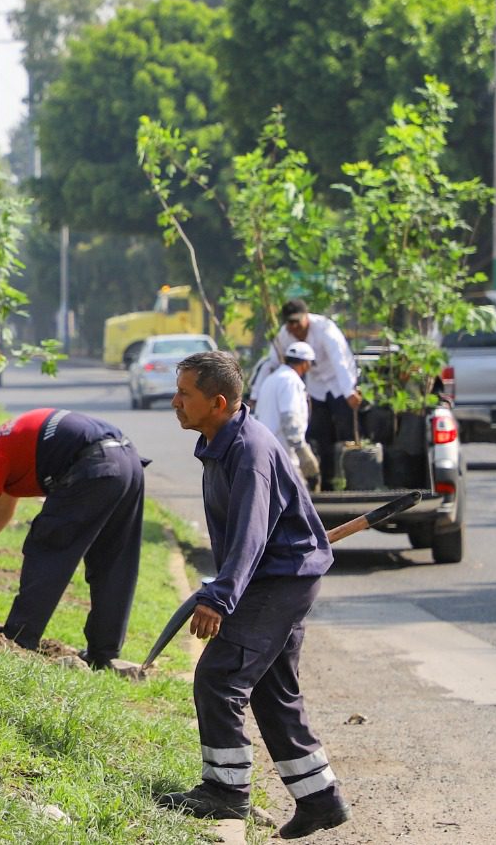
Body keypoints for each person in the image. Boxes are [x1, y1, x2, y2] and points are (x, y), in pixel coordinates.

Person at [161, 350, 348, 839]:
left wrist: (219, 598)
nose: (175, 401)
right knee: (272, 691)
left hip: (279, 579)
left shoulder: (249, 452)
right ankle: (319, 799)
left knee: (220, 677)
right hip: (274, 574)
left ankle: (225, 792)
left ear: (217, 402)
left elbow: (249, 535)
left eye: (185, 394)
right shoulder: (220, 440)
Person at [0, 409, 147, 668]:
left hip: (95, 464)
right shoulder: (8, 440)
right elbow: (1, 514)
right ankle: (103, 653)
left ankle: (19, 638)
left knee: (47, 545)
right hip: (126, 461)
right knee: (113, 560)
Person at [273, 299, 360, 488]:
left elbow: (340, 363)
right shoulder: (284, 336)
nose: (294, 327)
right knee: (320, 435)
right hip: (317, 387)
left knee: (345, 434)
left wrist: (349, 392)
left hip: (339, 383)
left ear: (307, 317)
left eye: (297, 322)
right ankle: (326, 482)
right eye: (290, 323)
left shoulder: (325, 329)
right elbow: (273, 361)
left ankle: (349, 481)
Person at [252, 340, 321, 485]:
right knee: (296, 493)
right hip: (283, 448)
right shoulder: (290, 381)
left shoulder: (273, 378)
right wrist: (300, 448)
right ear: (305, 364)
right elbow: (290, 416)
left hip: (267, 446)